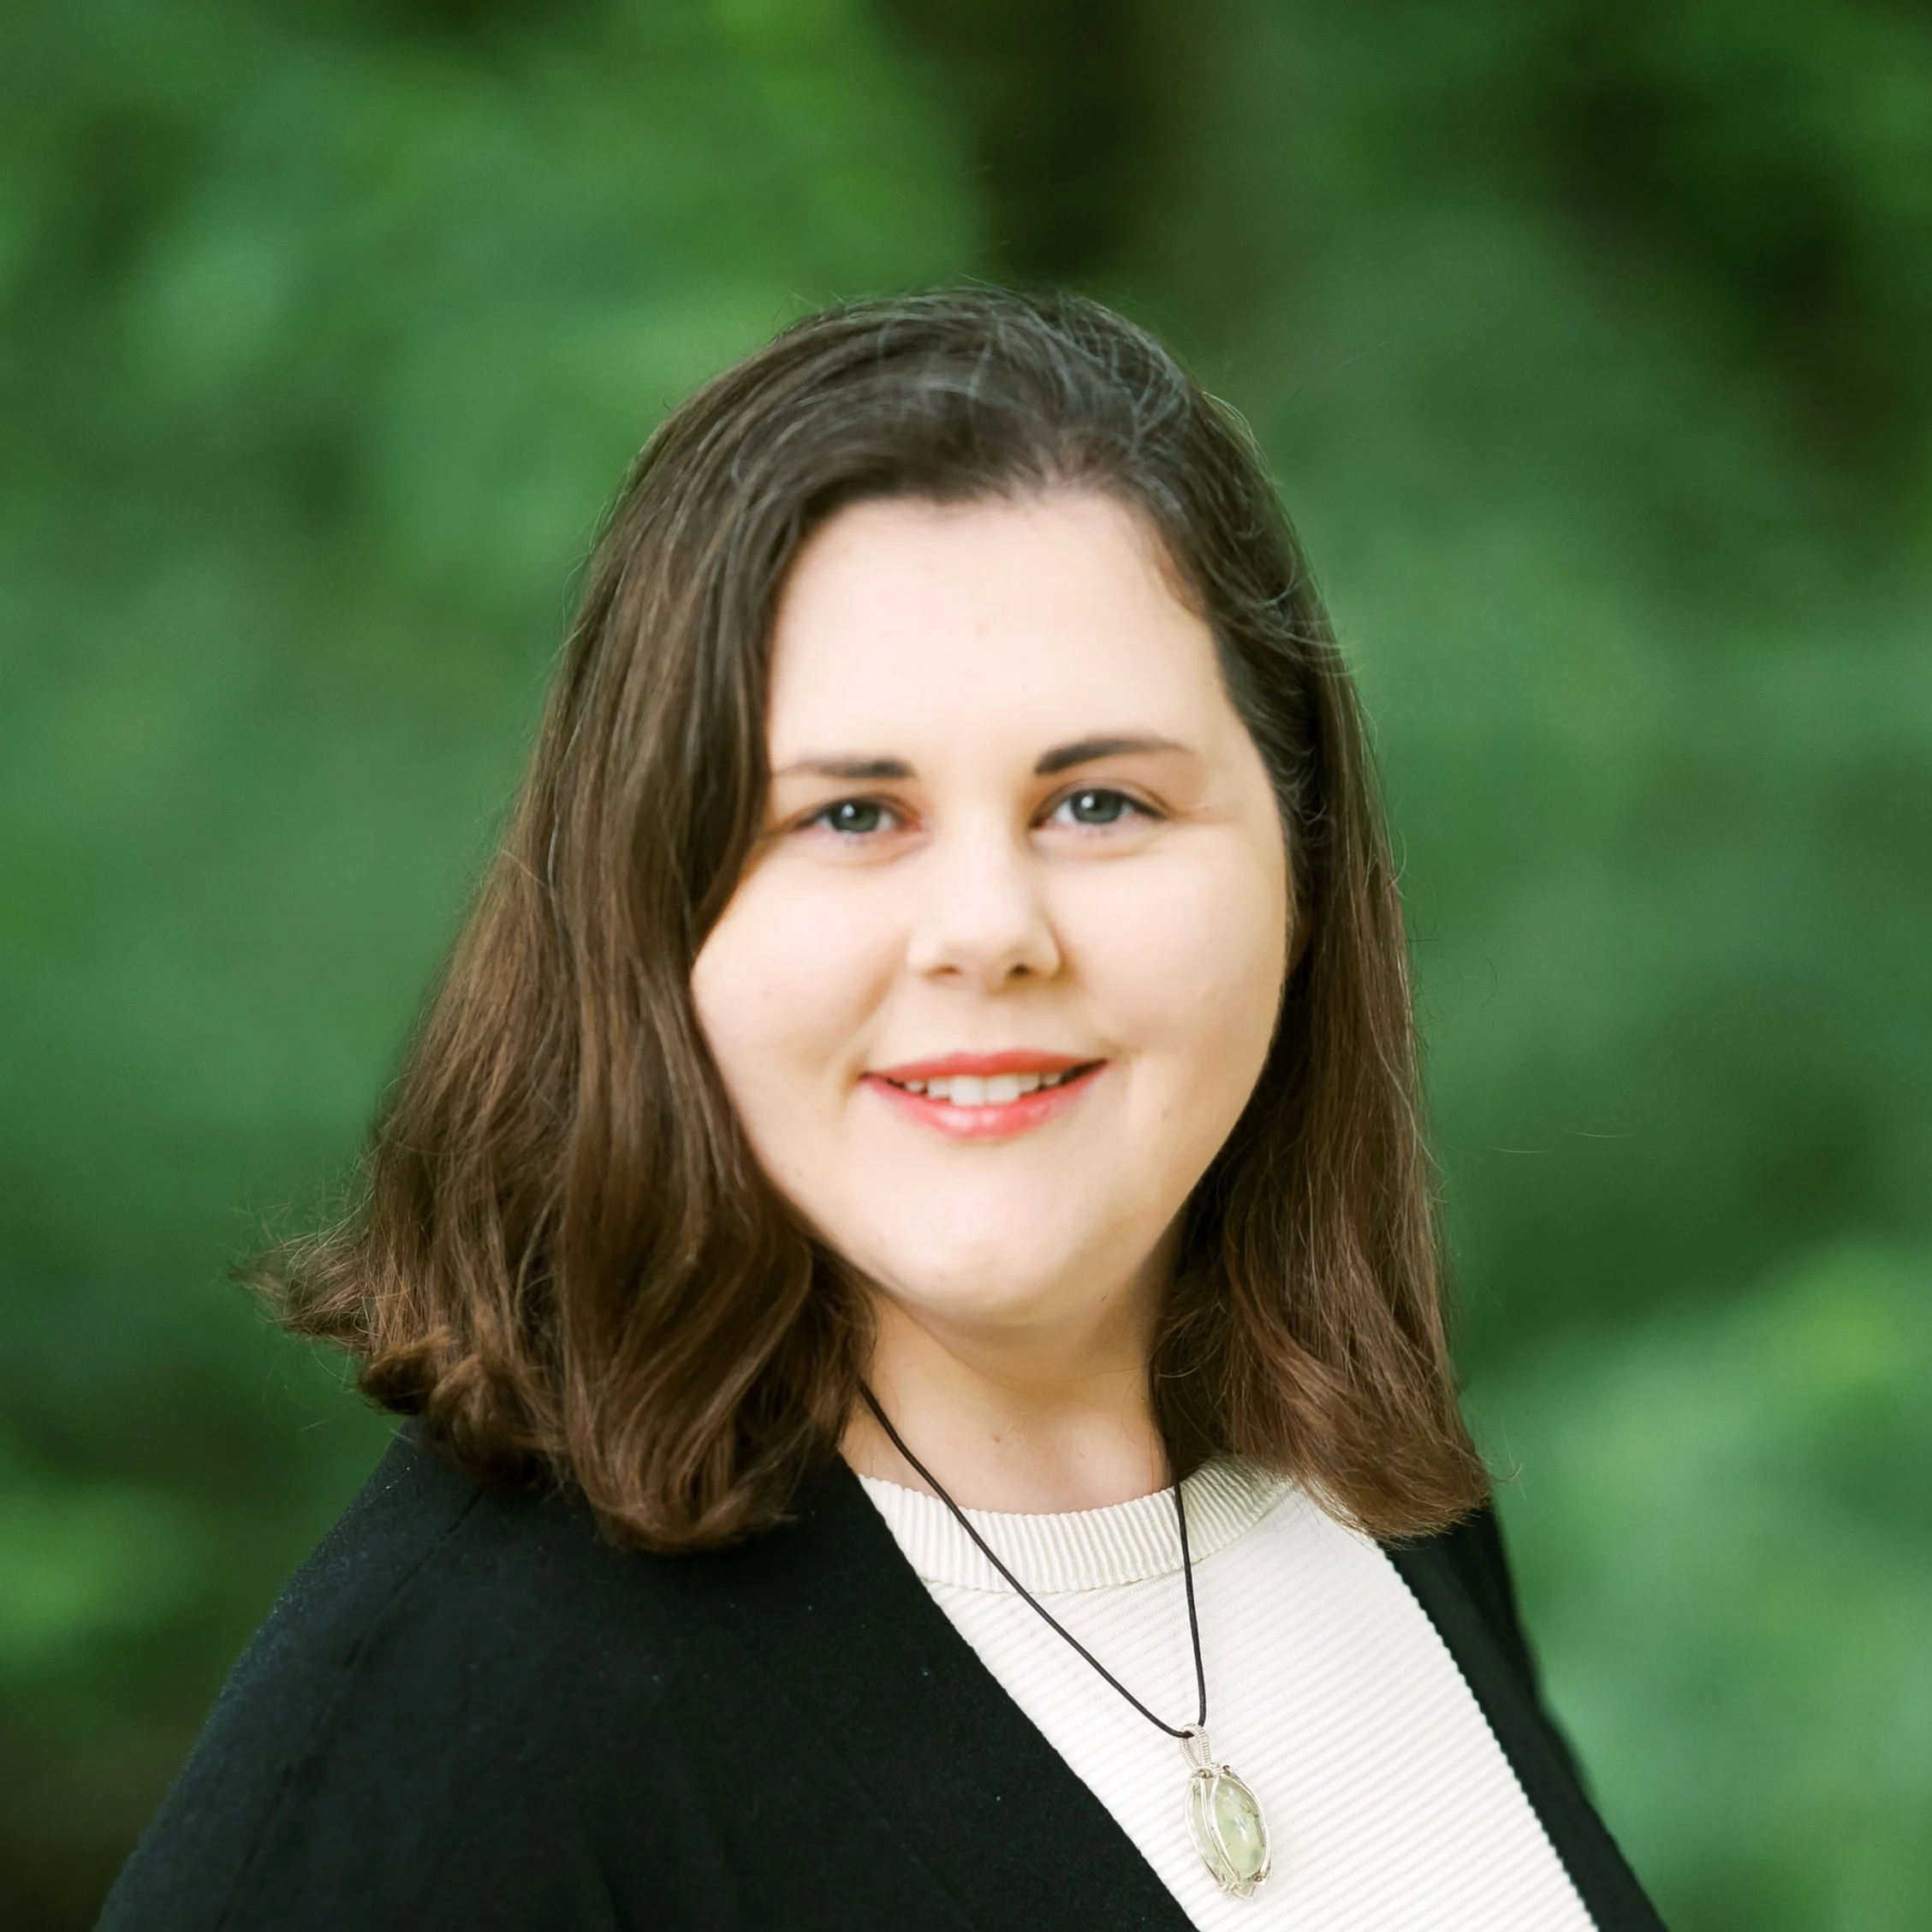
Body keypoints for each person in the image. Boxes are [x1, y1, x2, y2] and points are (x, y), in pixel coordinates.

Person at [100, 288, 1667, 1931]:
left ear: (1303, 864)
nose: (988, 931)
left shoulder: (1364, 1490)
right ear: (648, 911)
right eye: (851, 815)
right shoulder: (442, 1747)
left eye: (1100, 801)